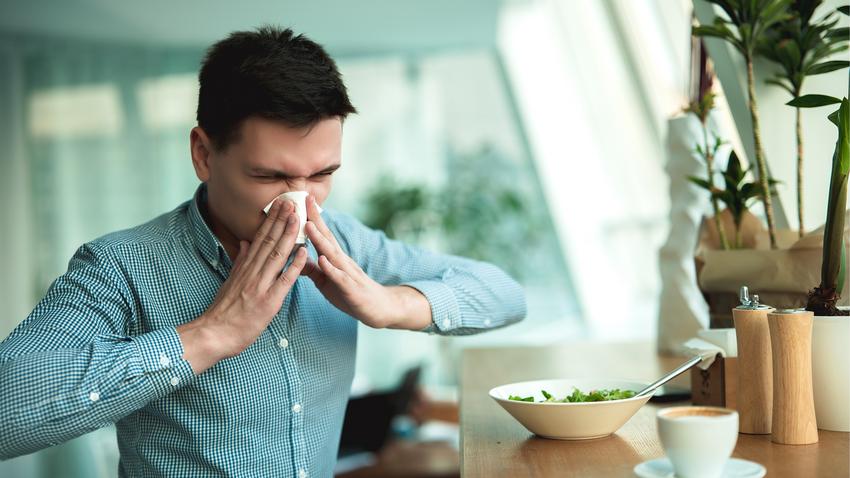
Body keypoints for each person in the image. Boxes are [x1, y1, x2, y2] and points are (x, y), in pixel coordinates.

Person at [0, 26, 526, 477]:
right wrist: (210, 335)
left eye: (322, 174)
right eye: (269, 175)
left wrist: (393, 306)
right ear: (203, 154)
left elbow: (503, 293)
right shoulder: (119, 267)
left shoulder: (345, 242)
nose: (301, 200)